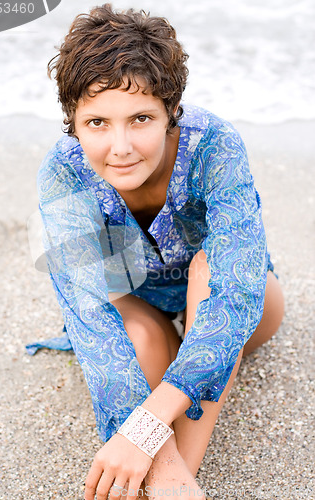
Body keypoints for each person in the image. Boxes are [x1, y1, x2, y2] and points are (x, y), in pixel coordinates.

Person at [30, 4, 284, 499]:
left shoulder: (215, 145)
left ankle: (171, 483)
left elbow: (234, 297)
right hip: (136, 301)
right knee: (136, 337)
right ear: (73, 123)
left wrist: (143, 433)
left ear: (172, 110)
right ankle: (174, 485)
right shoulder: (62, 171)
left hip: (235, 305)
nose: (120, 146)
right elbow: (92, 317)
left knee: (209, 274)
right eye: (97, 122)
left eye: (141, 118)